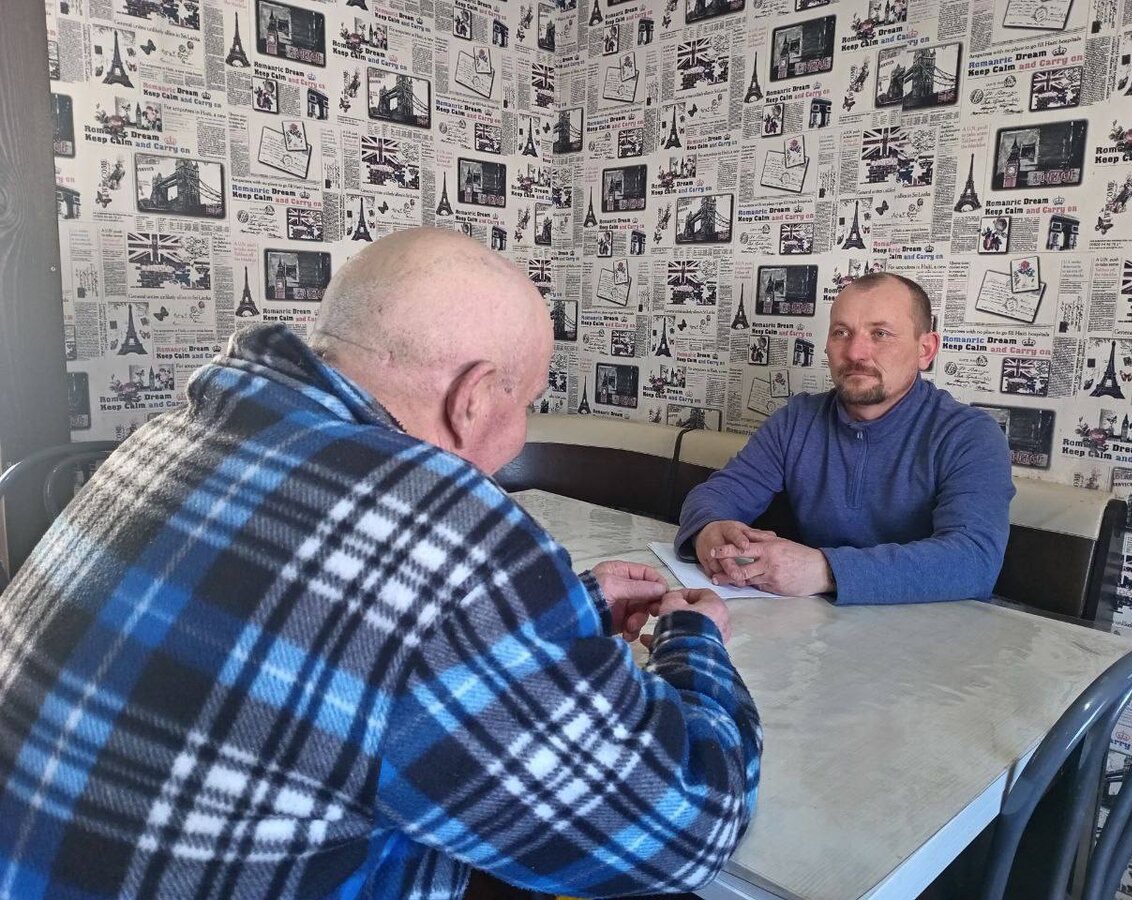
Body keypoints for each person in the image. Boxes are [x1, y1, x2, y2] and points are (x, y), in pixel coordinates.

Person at [0, 228, 761, 898]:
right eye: (526, 400)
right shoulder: (443, 528)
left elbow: (331, 633)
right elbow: (686, 827)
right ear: (472, 398)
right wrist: (691, 643)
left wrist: (566, 610)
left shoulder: (177, 435)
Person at [676, 271, 1014, 605]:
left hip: (933, 630)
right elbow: (719, 493)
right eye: (842, 332)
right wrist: (709, 529)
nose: (855, 353)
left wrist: (825, 570)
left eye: (880, 334)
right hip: (813, 628)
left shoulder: (970, 435)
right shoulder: (797, 419)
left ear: (925, 349)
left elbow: (974, 559)